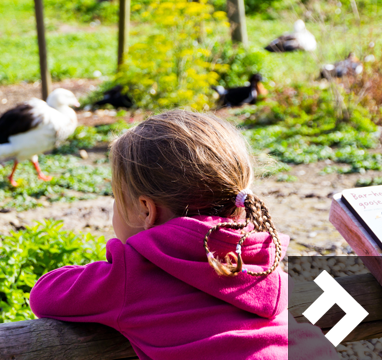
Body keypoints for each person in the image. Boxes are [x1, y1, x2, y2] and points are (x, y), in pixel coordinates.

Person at [30, 110, 338, 360]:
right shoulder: (260, 255)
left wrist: (121, 257)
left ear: (145, 210)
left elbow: (45, 294)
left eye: (116, 197)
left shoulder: (134, 272)